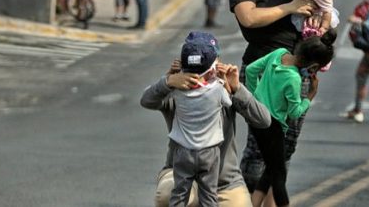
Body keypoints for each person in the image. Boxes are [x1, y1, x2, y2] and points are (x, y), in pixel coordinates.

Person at [228, 0, 315, 199]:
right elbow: (249, 17)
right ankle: (243, 201)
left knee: (285, 148)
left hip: (295, 74)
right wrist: (289, 7)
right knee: (260, 147)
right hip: (261, 73)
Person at [141, 32, 272, 207]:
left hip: (224, 182)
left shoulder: (222, 89)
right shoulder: (176, 91)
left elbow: (264, 120)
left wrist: (237, 89)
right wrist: (168, 81)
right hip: (180, 173)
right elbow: (147, 100)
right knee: (168, 195)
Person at [244, 30, 336, 207]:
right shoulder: (294, 79)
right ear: (314, 67)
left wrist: (256, 99)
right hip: (274, 128)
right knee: (279, 176)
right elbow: (294, 113)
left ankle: (254, 203)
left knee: (271, 169)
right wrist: (310, 96)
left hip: (258, 121)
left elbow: (250, 70)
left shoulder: (279, 53)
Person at [162, 33, 232, 206]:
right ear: (212, 68)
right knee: (209, 196)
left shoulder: (177, 90)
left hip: (183, 151)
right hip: (209, 152)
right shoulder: (217, 90)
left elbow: (157, 95)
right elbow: (229, 102)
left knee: (179, 195)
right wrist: (223, 80)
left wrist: (170, 77)